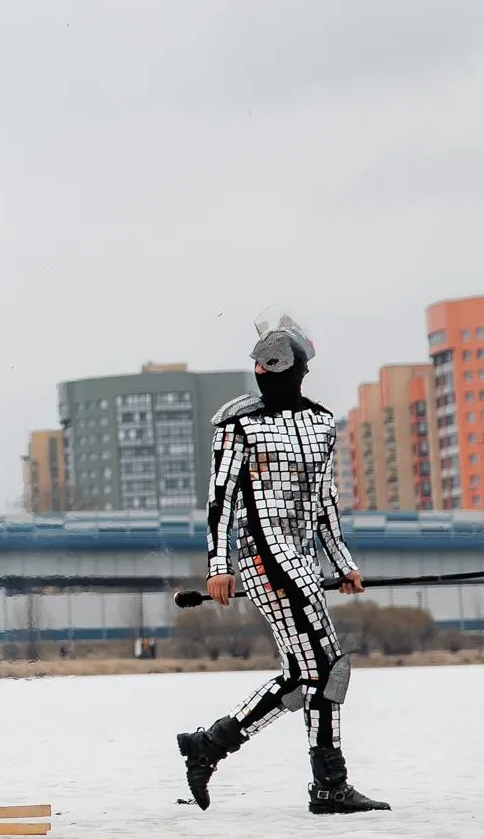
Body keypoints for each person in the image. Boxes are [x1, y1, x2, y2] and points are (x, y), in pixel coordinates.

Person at [175, 314, 388, 814]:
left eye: (272, 363)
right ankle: (325, 784)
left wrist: (342, 562)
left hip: (303, 561)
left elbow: (324, 501)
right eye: (259, 364)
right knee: (326, 667)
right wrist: (218, 565)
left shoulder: (319, 422)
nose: (262, 372)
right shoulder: (237, 422)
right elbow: (220, 501)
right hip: (261, 558)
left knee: (310, 672)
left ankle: (213, 746)